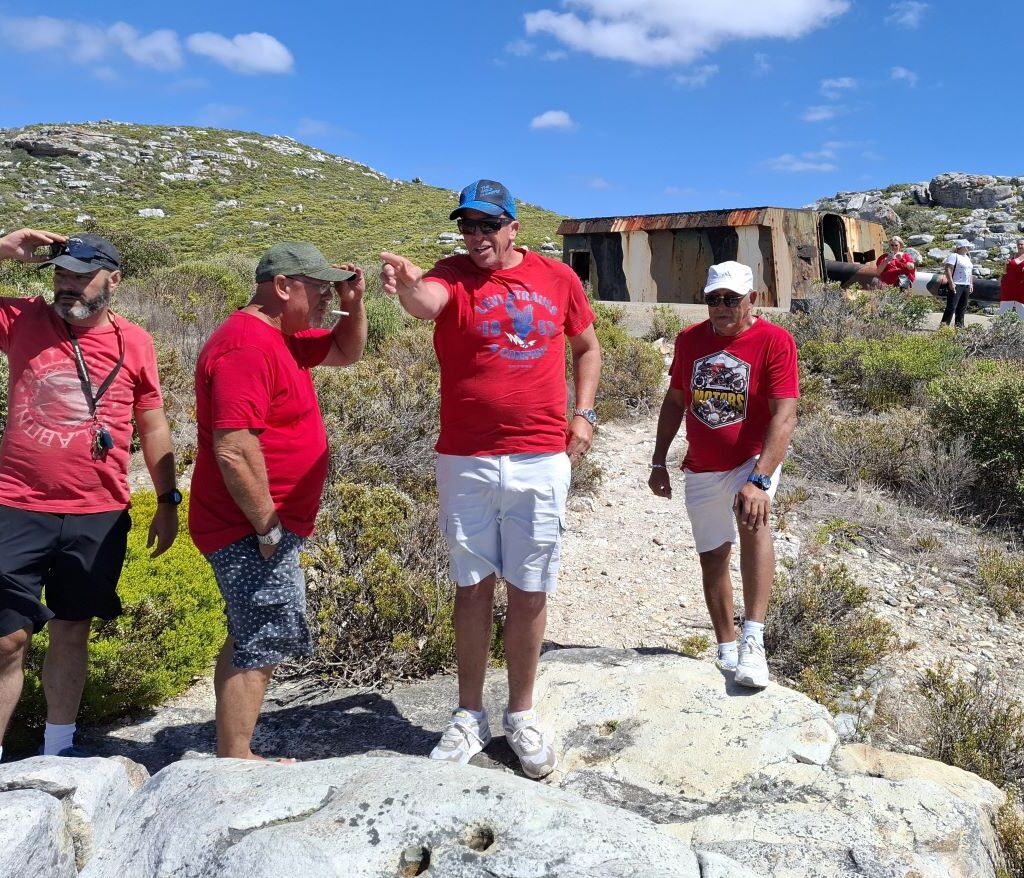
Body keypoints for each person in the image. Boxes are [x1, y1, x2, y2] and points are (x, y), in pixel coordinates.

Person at [379, 179, 601, 778]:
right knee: (472, 585)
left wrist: (584, 414)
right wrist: (404, 285)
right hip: (467, 457)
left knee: (530, 588)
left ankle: (521, 714)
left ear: (513, 228)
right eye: (467, 226)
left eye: (487, 225)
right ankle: (468, 715)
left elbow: (587, 348)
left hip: (539, 457)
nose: (476, 237)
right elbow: (427, 301)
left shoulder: (559, 280)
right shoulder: (452, 273)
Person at [0, 229, 179, 762]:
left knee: (72, 630)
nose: (68, 286)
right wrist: (3, 248)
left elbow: (152, 422)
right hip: (16, 505)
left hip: (97, 512)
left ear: (113, 280)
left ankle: (58, 751)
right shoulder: (25, 319)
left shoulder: (136, 342)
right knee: (6, 640)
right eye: (61, 274)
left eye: (81, 276)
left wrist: (168, 501)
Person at [189, 242, 367, 762]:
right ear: (283, 286)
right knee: (262, 634)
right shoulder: (246, 346)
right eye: (318, 289)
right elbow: (234, 448)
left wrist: (353, 305)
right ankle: (237, 758)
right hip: (248, 527)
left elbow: (346, 351)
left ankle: (233, 747)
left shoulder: (280, 337)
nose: (324, 300)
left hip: (264, 524)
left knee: (251, 630)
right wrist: (267, 527)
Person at [648, 261, 798, 689]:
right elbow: (676, 400)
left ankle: (754, 638)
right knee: (712, 554)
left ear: (753, 299)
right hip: (702, 464)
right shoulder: (690, 340)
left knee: (754, 524)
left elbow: (784, 416)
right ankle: (726, 645)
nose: (721, 307)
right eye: (713, 299)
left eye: (731, 299)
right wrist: (659, 460)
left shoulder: (775, 341)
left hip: (752, 459)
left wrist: (761, 478)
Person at [940, 240, 974, 328]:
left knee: (962, 306)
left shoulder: (967, 257)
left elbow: (969, 272)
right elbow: (948, 269)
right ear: (960, 247)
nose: (968, 248)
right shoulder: (954, 256)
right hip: (956, 283)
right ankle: (944, 326)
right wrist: (951, 282)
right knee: (951, 306)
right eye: (966, 246)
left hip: (965, 284)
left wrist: (970, 284)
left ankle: (959, 325)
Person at [998, 240, 1024, 319]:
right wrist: (1006, 264)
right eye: (1018, 244)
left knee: (1022, 308)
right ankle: (1001, 328)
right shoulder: (1012, 255)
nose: (1020, 246)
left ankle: (1021, 329)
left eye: (1022, 244)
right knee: (1005, 307)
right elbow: (1004, 271)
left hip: (1021, 286)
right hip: (1008, 285)